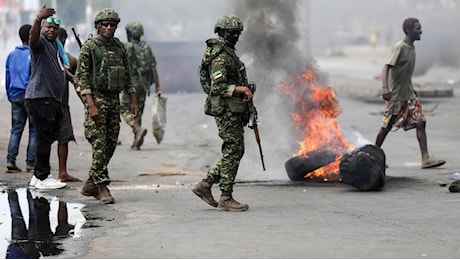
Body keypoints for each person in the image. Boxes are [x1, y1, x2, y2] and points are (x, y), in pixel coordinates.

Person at [77, 8, 139, 204]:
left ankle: (90, 183)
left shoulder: (120, 47)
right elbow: (83, 79)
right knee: (99, 144)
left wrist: (133, 100)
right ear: (97, 26)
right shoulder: (89, 47)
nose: (109, 27)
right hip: (97, 99)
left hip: (114, 100)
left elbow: (128, 75)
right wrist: (91, 105)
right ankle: (102, 187)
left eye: (112, 25)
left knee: (111, 144)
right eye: (105, 24)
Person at [191, 15, 254, 212]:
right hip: (225, 109)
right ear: (221, 32)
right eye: (231, 33)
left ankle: (206, 184)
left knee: (235, 150)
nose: (235, 36)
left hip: (233, 109)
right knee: (233, 149)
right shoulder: (220, 55)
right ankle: (225, 197)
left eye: (237, 33)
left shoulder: (228, 53)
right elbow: (216, 87)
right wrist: (240, 90)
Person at [375, 17, 445, 169]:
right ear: (408, 31)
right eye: (417, 28)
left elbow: (404, 73)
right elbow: (386, 67)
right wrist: (385, 87)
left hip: (409, 96)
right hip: (396, 97)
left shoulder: (412, 48)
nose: (421, 31)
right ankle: (374, 155)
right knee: (387, 126)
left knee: (421, 122)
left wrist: (411, 88)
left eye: (420, 28)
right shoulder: (399, 47)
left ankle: (425, 158)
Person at [25, 5, 67, 190]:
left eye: (54, 28)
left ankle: (37, 176)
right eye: (47, 27)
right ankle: (42, 177)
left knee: (46, 137)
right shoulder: (39, 43)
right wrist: (37, 19)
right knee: (44, 137)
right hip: (41, 97)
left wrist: (72, 78)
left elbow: (59, 69)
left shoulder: (54, 47)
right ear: (42, 29)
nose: (51, 30)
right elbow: (32, 39)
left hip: (50, 99)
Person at [121, 21, 161, 150]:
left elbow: (123, 66)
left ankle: (137, 129)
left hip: (132, 83)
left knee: (124, 109)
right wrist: (157, 86)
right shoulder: (146, 47)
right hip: (144, 84)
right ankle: (136, 140)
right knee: (137, 111)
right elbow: (153, 67)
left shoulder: (128, 47)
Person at [5, 24, 36, 174]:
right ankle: (30, 163)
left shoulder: (12, 54)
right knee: (34, 130)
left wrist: (9, 94)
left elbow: (7, 76)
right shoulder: (33, 53)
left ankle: (11, 160)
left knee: (16, 130)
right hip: (30, 96)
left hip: (15, 95)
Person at [56, 27, 82, 183]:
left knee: (64, 138)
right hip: (45, 103)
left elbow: (77, 84)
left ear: (64, 40)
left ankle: (62, 172)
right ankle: (39, 173)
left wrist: (87, 103)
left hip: (62, 105)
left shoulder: (71, 60)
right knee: (41, 139)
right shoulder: (45, 56)